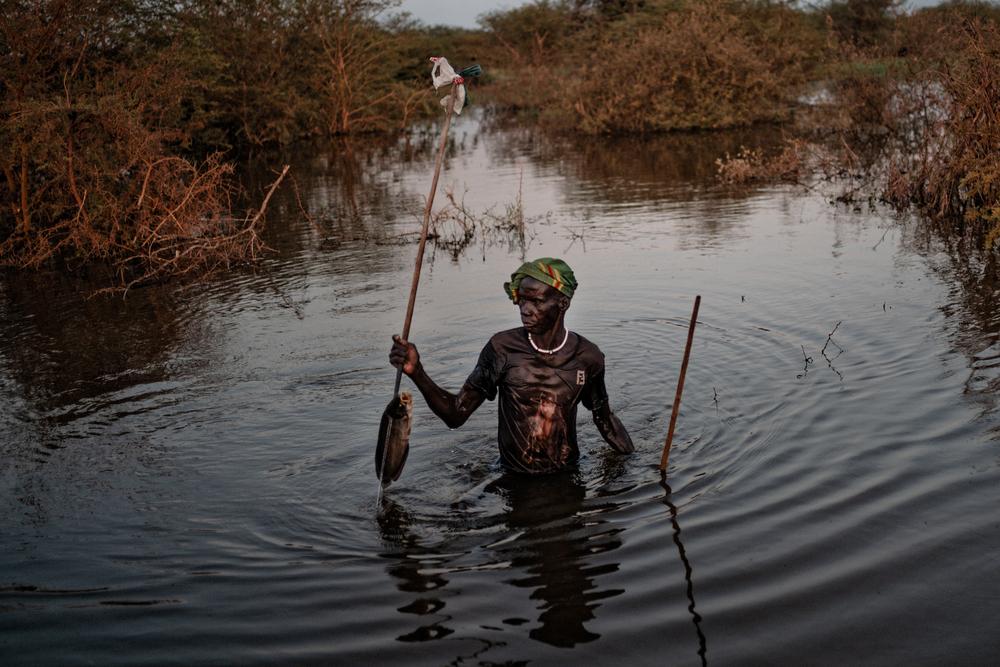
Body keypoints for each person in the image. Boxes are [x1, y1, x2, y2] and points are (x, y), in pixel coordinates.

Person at [389, 257, 633, 474]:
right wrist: (417, 371)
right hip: (513, 476)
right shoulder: (502, 349)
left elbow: (605, 419)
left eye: (536, 301)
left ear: (563, 304)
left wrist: (640, 465)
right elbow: (456, 414)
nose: (525, 310)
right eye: (521, 300)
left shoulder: (588, 357)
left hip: (568, 475)